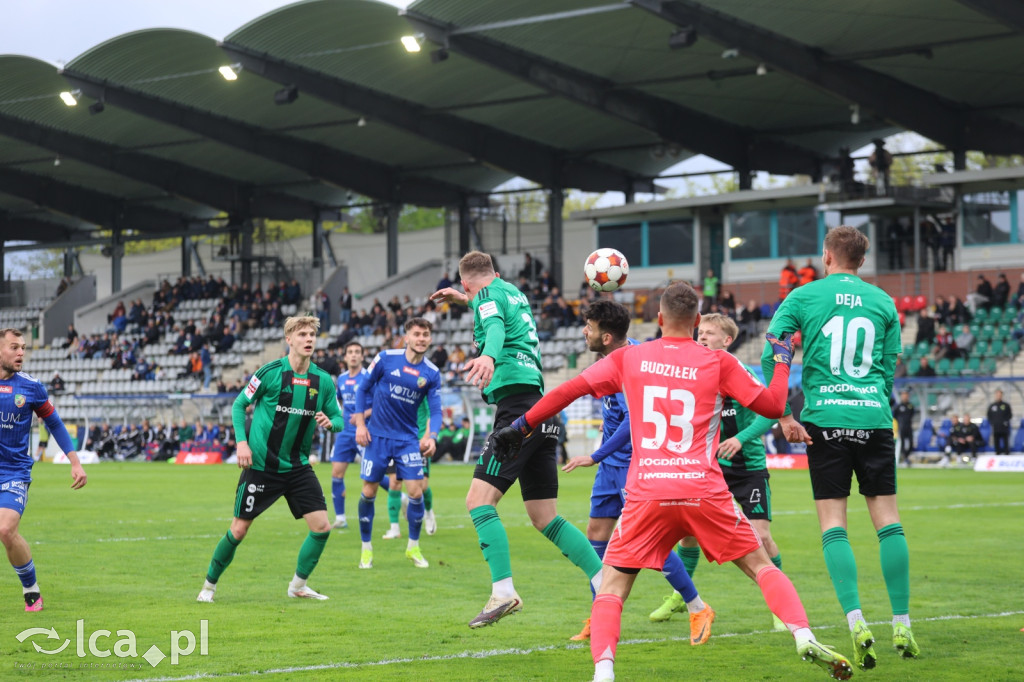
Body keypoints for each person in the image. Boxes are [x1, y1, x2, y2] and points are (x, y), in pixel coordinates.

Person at [491, 283, 852, 682]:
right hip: (703, 490)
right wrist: (782, 361)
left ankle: (604, 672)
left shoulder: (630, 357)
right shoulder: (719, 361)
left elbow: (568, 390)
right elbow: (771, 406)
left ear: (659, 319)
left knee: (612, 588)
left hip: (648, 493)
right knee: (761, 566)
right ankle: (803, 635)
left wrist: (521, 425)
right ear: (697, 321)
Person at [763, 225, 918, 669]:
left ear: (826, 256)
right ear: (862, 261)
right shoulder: (883, 302)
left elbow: (773, 350)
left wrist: (784, 415)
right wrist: (871, 400)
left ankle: (856, 621)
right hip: (873, 419)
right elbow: (887, 367)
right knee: (889, 521)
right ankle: (902, 623)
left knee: (834, 525)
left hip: (824, 420)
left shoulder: (803, 296)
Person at [430, 251, 604, 629]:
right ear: (494, 273)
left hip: (517, 412)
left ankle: (503, 591)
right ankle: (603, 580)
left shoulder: (486, 297)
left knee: (479, 500)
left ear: (466, 283)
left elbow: (494, 327)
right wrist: (466, 299)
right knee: (545, 516)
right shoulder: (512, 292)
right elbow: (495, 307)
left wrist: (489, 357)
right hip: (543, 410)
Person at [561, 300, 713, 644]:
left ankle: (697, 607)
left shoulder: (634, 363)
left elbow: (633, 419)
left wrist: (595, 455)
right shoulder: (610, 358)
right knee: (596, 535)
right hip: (610, 469)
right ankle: (598, 615)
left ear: (606, 336)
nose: (584, 331)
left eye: (589, 327)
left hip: (635, 466)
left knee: (651, 542)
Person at [196, 316, 345, 603]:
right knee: (239, 530)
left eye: (312, 335)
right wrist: (242, 443)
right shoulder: (270, 372)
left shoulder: (323, 381)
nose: (309, 339)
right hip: (262, 466)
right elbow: (239, 405)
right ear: (289, 339)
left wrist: (331, 423)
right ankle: (208, 587)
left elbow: (338, 419)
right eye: (302, 334)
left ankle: (298, 586)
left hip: (298, 467)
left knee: (322, 527)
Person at [653, 312, 786, 630]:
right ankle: (681, 597)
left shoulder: (739, 371)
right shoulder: (694, 372)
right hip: (709, 467)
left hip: (748, 468)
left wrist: (740, 439)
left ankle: (781, 606)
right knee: (687, 533)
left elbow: (770, 413)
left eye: (710, 333)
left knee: (761, 536)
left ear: (727, 340)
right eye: (700, 332)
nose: (702, 336)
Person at [0, 328, 87, 612]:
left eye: (23, 348)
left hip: (13, 472)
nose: (21, 353)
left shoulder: (31, 387)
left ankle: (31, 590)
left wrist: (75, 462)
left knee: (5, 530)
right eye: (14, 347)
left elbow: (55, 424)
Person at [353, 318, 442, 570]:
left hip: (408, 440)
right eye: (417, 334)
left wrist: (432, 436)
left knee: (416, 492)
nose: (421, 338)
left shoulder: (432, 373)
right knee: (369, 491)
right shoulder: (385, 358)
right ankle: (366, 549)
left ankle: (413, 546)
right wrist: (360, 425)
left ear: (430, 339)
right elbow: (362, 390)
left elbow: (436, 411)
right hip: (377, 437)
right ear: (407, 337)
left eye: (425, 334)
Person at [329, 342, 369, 530]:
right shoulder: (342, 379)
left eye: (357, 352)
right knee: (336, 473)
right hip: (345, 432)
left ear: (362, 356)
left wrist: (362, 415)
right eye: (350, 352)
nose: (353, 355)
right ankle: (340, 518)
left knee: (372, 475)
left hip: (364, 431)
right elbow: (338, 401)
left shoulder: (368, 377)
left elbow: (380, 403)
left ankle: (399, 496)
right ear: (345, 357)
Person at [893, 391, 917, 465]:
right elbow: (895, 416)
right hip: (901, 428)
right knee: (902, 443)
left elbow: (912, 414)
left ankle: (907, 456)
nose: (905, 397)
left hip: (909, 427)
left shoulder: (910, 406)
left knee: (911, 443)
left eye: (906, 396)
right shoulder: (898, 406)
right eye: (903, 396)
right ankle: (905, 458)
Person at [986, 390, 1012, 455]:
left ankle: (1007, 454)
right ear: (995, 395)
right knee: (996, 441)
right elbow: (989, 415)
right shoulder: (992, 406)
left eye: (1000, 395)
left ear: (1002, 396)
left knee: (1005, 441)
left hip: (1004, 428)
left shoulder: (1006, 405)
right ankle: (997, 453)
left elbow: (1009, 415)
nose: (998, 396)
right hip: (996, 427)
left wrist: (1005, 422)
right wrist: (993, 422)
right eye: (997, 395)